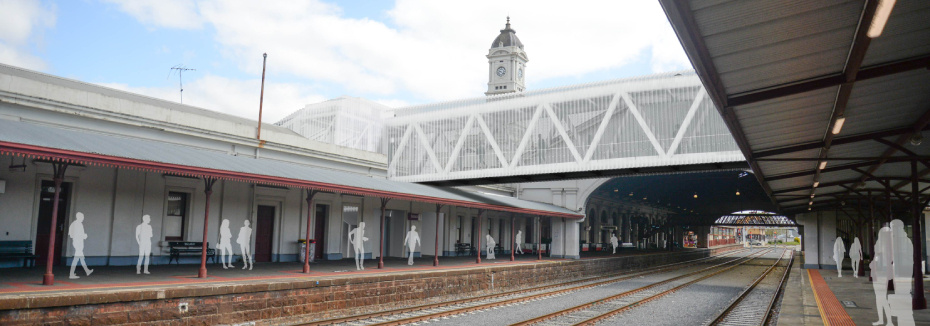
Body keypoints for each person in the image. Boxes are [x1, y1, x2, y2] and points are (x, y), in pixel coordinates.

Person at [872, 226, 893, 326]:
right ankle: (881, 319)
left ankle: (888, 321)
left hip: (882, 272)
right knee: (879, 298)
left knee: (882, 298)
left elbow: (878, 257)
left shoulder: (887, 246)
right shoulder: (882, 245)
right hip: (879, 271)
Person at [68, 212, 93, 279]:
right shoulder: (78, 224)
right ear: (79, 217)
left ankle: (87, 270)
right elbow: (78, 234)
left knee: (81, 258)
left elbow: (71, 234)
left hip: (76, 242)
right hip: (78, 243)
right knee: (77, 259)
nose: (83, 218)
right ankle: (72, 274)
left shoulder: (74, 224)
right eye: (82, 217)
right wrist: (84, 236)